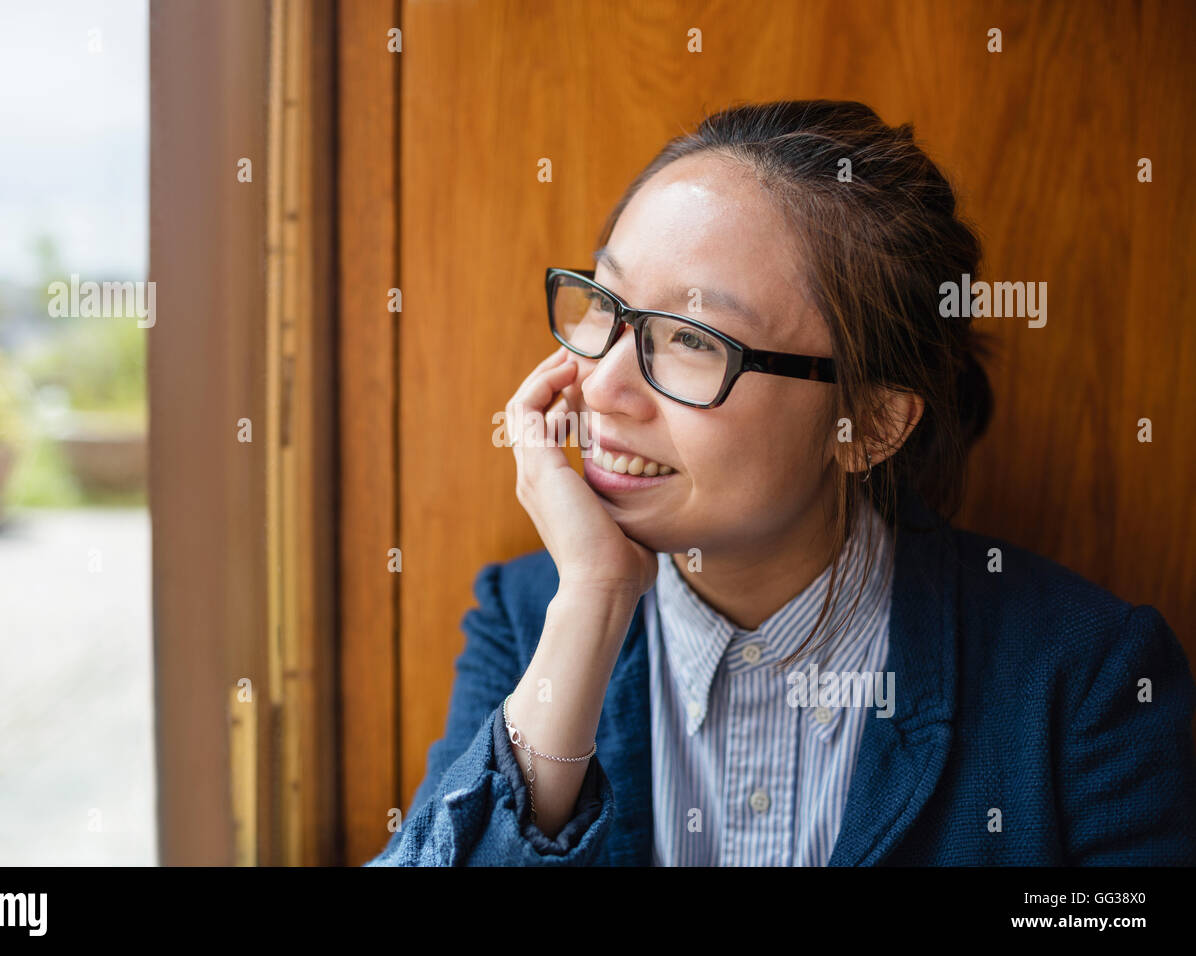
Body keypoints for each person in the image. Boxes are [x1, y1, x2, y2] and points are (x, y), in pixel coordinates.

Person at [366, 100, 1196, 866]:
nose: (601, 387)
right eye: (606, 305)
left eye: (693, 340)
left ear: (870, 424)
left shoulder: (1085, 679)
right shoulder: (525, 623)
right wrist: (590, 601)